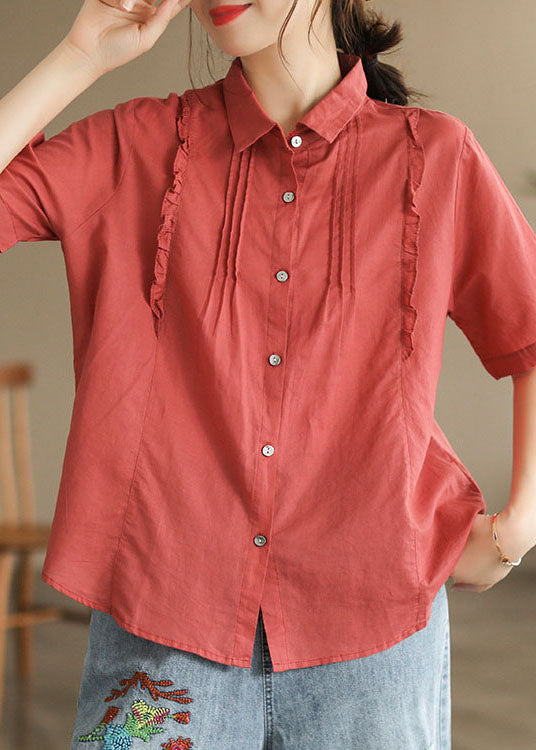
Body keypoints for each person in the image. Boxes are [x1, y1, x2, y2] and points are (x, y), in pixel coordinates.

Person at [1, 0, 536, 747]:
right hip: (162, 621)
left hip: (374, 632)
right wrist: (80, 55)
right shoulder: (138, 144)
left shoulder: (434, 155)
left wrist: (520, 524)